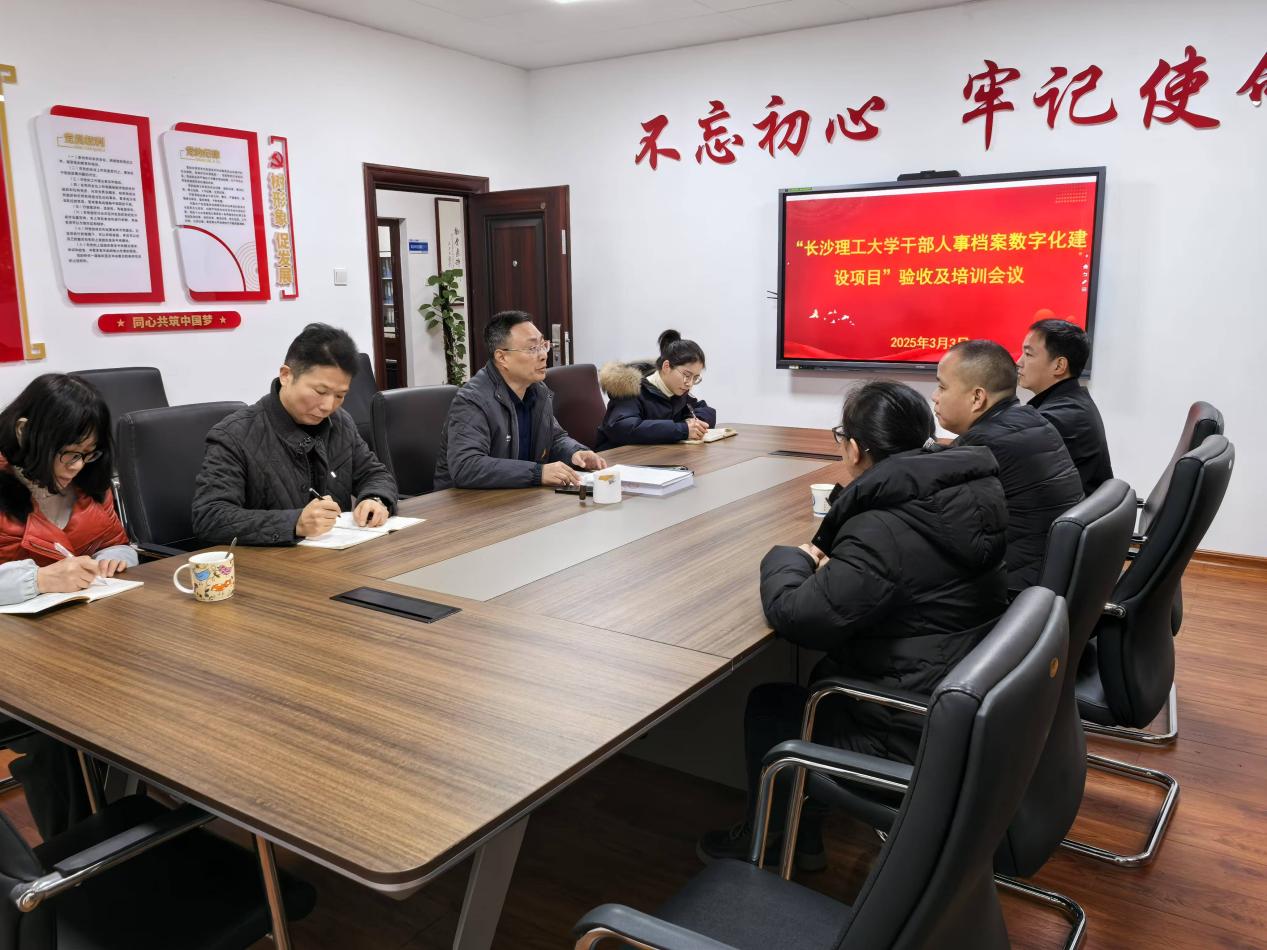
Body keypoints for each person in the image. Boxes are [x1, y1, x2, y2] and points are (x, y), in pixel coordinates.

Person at [698, 380, 1008, 868]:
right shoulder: (967, 491)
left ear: (856, 448)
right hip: (956, 700)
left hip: (902, 729)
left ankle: (779, 842)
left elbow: (799, 617)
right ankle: (802, 832)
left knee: (772, 705)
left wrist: (789, 557)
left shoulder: (884, 526)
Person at [0, 373, 138, 839]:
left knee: (141, 684)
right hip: (15, 654)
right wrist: (37, 579)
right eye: (69, 454)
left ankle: (132, 815)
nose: (78, 467)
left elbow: (118, 542)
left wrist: (115, 560)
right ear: (25, 432)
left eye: (88, 454)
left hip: (78, 634)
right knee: (59, 727)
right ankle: (78, 847)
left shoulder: (88, 481)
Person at [192, 323, 398, 545]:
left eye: (340, 395)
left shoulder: (340, 422)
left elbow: (375, 474)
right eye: (320, 391)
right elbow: (210, 517)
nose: (328, 406)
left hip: (339, 557)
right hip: (267, 562)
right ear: (286, 375)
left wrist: (375, 499)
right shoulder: (234, 435)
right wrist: (294, 523)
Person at [933, 338, 1083, 589]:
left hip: (1015, 591)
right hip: (1050, 578)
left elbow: (943, 529)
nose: (935, 397)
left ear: (977, 397)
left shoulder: (981, 446)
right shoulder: (1032, 419)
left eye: (942, 387)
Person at [433, 311, 606, 490]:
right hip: (466, 502)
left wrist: (575, 452)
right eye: (532, 348)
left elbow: (553, 438)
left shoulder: (538, 390)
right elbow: (466, 466)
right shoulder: (472, 400)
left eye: (543, 345)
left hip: (517, 494)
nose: (543, 355)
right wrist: (537, 473)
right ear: (502, 358)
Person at [1017, 318, 1114, 495]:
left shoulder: (1055, 419)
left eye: (1028, 354)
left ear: (1059, 365)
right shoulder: (1072, 402)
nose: (1019, 362)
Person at [595, 330, 717, 449]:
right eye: (686, 375)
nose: (689, 383)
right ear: (666, 367)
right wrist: (682, 429)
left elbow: (705, 410)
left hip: (654, 455)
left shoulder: (677, 390)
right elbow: (622, 427)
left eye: (695, 378)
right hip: (616, 456)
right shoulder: (631, 389)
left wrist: (694, 424)